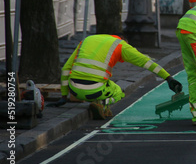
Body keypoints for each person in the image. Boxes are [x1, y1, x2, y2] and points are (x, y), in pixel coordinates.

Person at [54, 34, 182, 119]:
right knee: (118, 91)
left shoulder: (87, 40)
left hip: (74, 91)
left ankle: (97, 103)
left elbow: (65, 69)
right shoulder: (122, 46)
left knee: (103, 83)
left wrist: (64, 97)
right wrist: (168, 78)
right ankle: (104, 102)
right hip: (95, 90)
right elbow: (147, 63)